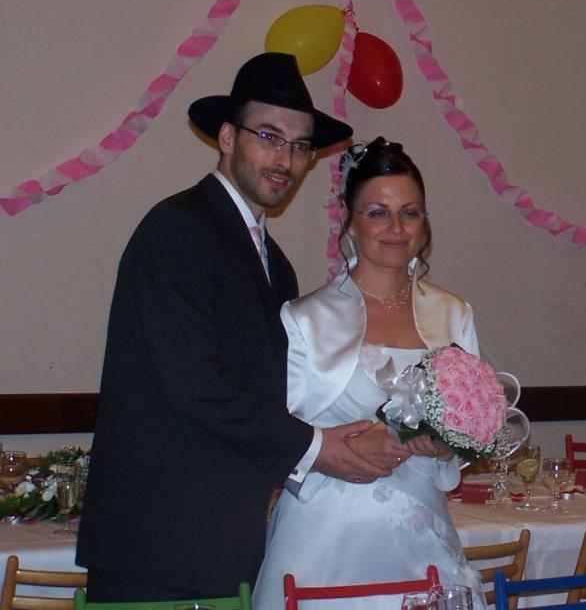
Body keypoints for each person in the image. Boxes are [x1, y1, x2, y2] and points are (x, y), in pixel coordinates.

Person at [77, 54, 412, 601]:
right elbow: (194, 385)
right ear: (227, 137)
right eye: (269, 136)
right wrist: (316, 447)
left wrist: (374, 433)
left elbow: (276, 391)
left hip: (226, 541)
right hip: (158, 545)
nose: (285, 159)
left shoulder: (275, 263)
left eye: (300, 146)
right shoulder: (177, 230)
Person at [253, 138, 486, 610]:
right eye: (378, 213)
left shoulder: (453, 314)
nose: (396, 228)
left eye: (409, 213)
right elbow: (278, 433)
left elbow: (468, 429)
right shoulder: (304, 318)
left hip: (421, 534)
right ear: (349, 218)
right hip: (325, 539)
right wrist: (343, 448)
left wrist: (446, 445)